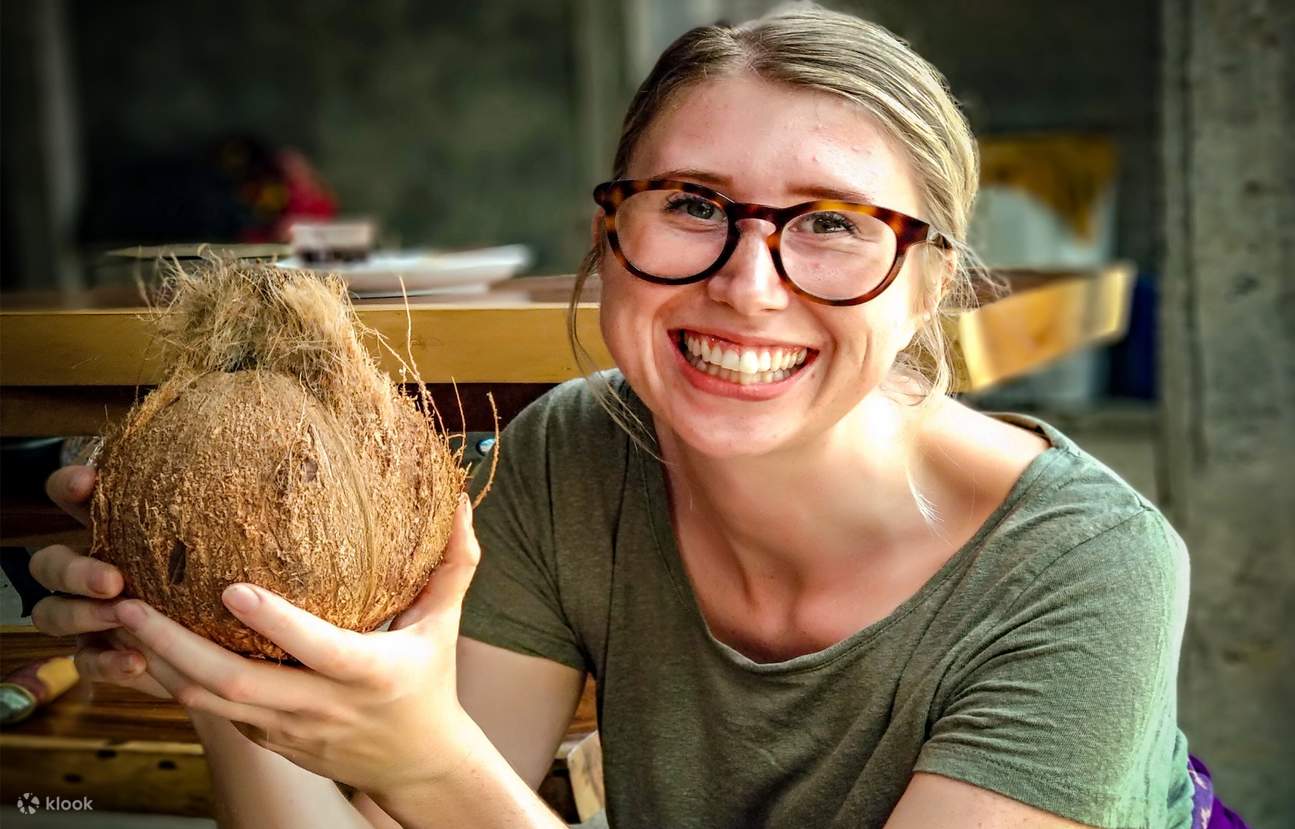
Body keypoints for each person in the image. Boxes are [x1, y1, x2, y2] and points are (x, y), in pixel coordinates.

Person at [28, 6, 1242, 828]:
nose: (746, 282)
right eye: (690, 202)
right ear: (608, 231)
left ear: (927, 283)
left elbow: (447, 794)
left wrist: (427, 760)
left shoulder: (1084, 568)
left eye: (828, 223)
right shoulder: (576, 453)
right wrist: (234, 648)